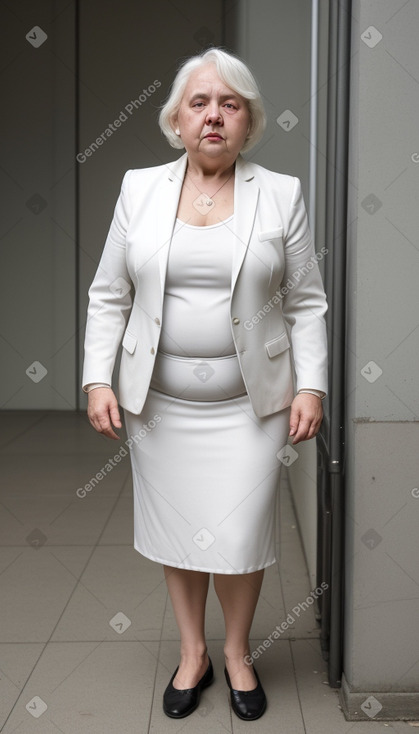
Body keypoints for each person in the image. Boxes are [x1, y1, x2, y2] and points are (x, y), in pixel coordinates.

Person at [82, 47, 328, 721]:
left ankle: (238, 653)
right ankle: (193, 653)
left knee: (241, 535)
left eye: (229, 104)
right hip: (159, 410)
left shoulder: (280, 194)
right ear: (175, 121)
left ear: (247, 121)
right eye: (199, 103)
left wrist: (311, 388)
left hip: (251, 410)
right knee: (178, 532)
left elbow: (305, 301)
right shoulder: (139, 188)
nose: (213, 115)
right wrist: (96, 379)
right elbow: (109, 293)